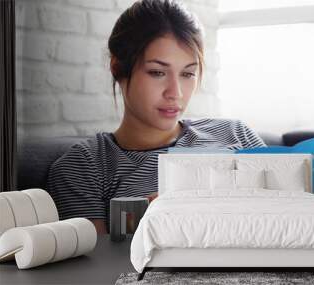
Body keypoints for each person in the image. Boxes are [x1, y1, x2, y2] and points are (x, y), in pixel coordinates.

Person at [47, 0, 266, 234]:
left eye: (187, 73)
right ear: (118, 67)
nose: (176, 93)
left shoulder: (236, 133)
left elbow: (292, 214)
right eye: (157, 72)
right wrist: (146, 218)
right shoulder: (84, 167)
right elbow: (97, 266)